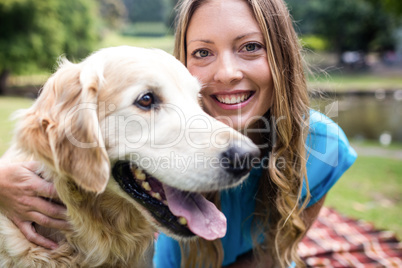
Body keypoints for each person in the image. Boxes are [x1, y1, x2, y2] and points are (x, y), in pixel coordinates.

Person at [0, 0, 357, 267]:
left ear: (281, 55)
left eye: (250, 46)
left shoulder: (322, 149)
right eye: (147, 100)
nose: (228, 72)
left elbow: (272, 258)